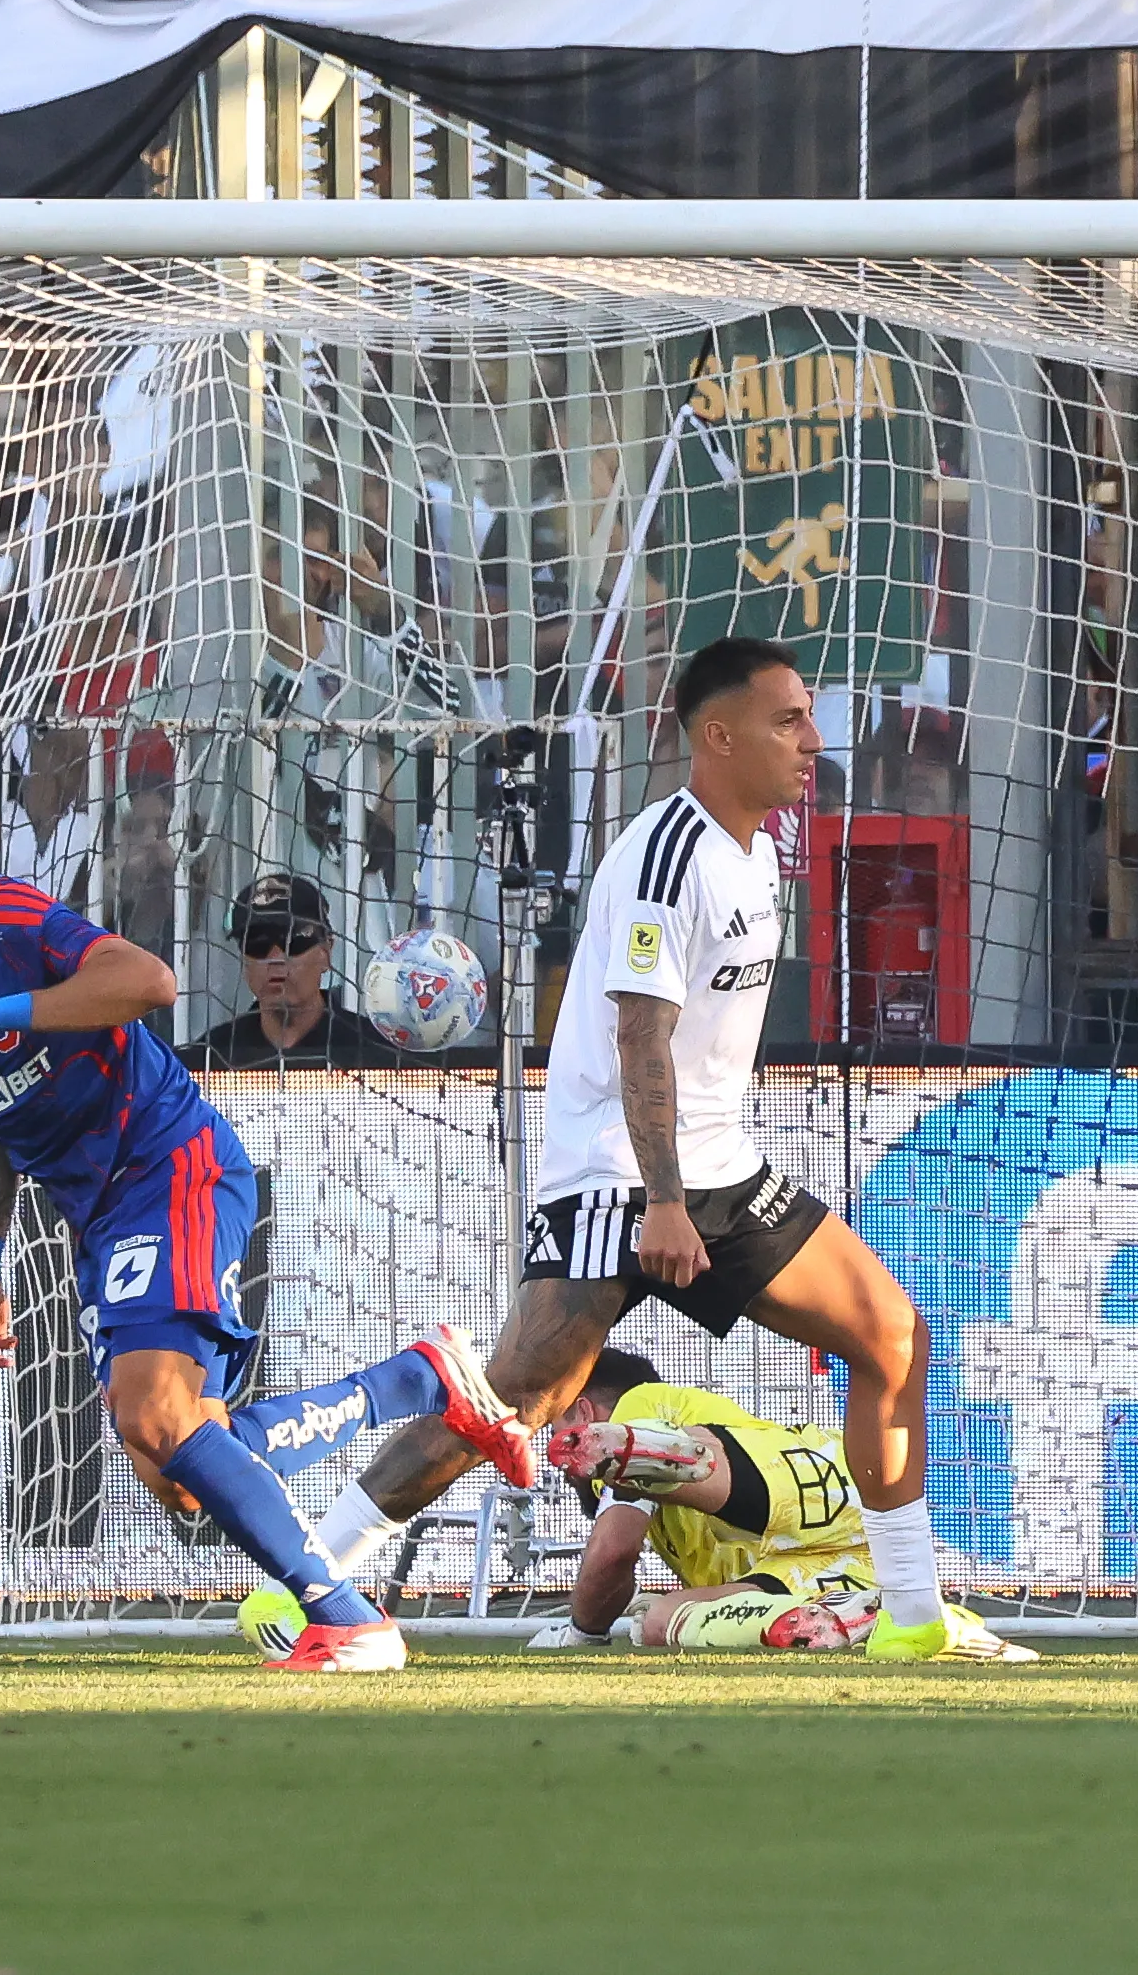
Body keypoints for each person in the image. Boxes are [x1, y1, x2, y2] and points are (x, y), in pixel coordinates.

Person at [312, 636, 1035, 1664]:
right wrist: (660, 1199)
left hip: (720, 1168)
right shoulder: (669, 853)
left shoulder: (759, 850)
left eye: (809, 716)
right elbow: (637, 1034)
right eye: (788, 720)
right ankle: (312, 1579)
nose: (811, 739)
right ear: (719, 734)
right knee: (513, 1405)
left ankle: (914, 1620)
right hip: (623, 1176)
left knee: (891, 1335)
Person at [0, 789, 538, 1673]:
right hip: (95, 1214)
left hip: (170, 1165)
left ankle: (350, 1619)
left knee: (159, 1417)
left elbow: (146, 984)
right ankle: (415, 1379)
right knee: (179, 1473)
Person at [526, 1348, 880, 1653]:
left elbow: (613, 1552)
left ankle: (663, 1447)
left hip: (820, 1480)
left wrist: (581, 1632)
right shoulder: (665, 1530)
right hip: (848, 1561)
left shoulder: (641, 1400)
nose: (555, 1455)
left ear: (585, 1414)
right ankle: (814, 1617)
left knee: (678, 1457)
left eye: (556, 1428)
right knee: (660, 1620)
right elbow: (613, 1567)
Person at [178, 873, 403, 1069]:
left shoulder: (376, 1052)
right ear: (243, 958)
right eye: (257, 943)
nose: (275, 959)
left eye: (293, 941)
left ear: (326, 952)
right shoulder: (211, 1055)